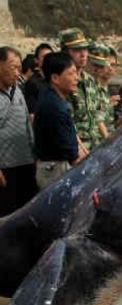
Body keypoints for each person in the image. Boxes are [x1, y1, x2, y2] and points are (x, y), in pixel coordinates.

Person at [33, 51, 82, 188]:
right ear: (55, 78)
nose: (76, 78)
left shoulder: (53, 98)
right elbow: (70, 152)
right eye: (71, 74)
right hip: (56, 170)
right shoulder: (54, 107)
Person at [0, 46, 37, 216]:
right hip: (4, 168)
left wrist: (35, 154)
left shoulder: (19, 92)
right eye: (13, 67)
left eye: (19, 68)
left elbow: (27, 125)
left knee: (26, 212)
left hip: (26, 163)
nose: (17, 73)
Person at [59, 28, 100, 155]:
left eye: (85, 49)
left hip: (95, 149)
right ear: (66, 52)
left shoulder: (90, 81)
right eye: (77, 50)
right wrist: (82, 151)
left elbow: (97, 116)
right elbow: (66, 124)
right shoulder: (61, 84)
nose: (83, 54)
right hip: (75, 153)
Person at [23, 42, 53, 120]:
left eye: (50, 56)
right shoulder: (32, 83)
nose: (48, 59)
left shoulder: (56, 79)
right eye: (44, 57)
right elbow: (32, 114)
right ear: (36, 60)